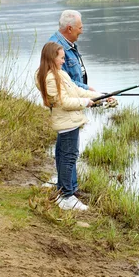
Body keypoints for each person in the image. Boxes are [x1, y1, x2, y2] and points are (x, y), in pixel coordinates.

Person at [35, 42, 101, 211]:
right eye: (62, 58)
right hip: (66, 123)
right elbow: (64, 102)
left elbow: (77, 91)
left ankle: (64, 191)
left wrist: (100, 97)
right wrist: (86, 103)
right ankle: (66, 196)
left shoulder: (59, 74)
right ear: (52, 58)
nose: (64, 61)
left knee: (64, 156)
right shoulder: (50, 78)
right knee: (68, 158)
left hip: (70, 121)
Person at [48, 10, 94, 91]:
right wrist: (89, 90)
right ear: (69, 29)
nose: (81, 31)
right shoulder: (55, 48)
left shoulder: (68, 44)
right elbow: (62, 81)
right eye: (80, 28)